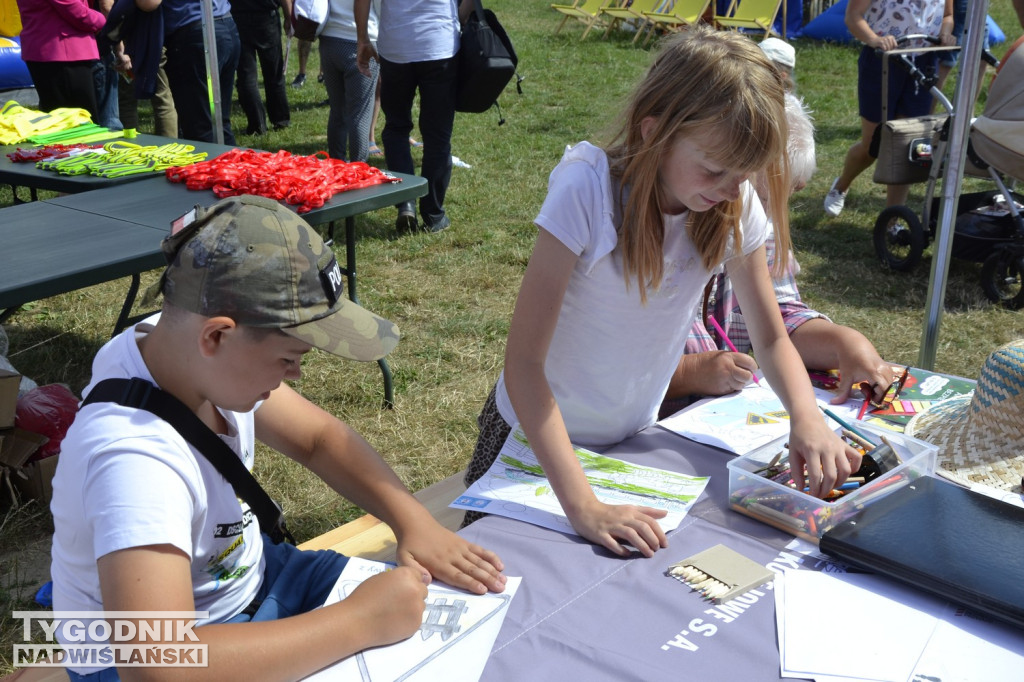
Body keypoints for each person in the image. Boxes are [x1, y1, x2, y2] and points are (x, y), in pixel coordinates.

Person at [49, 195, 506, 680]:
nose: (296, 376)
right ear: (217, 336)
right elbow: (159, 665)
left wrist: (415, 522)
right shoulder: (135, 461)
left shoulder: (178, 351)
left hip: (253, 581)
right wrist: (356, 622)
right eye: (288, 359)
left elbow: (319, 439)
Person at [463, 27, 862, 558]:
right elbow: (525, 365)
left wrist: (807, 416)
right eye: (716, 169)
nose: (730, 189)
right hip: (531, 448)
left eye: (743, 175)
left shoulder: (733, 204)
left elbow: (770, 338)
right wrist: (582, 506)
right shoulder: (585, 190)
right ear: (654, 132)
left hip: (630, 442)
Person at [666, 94, 898, 414]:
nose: (739, 202)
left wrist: (845, 343)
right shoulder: (666, 239)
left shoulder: (760, 226)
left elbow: (782, 318)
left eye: (765, 202)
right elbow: (603, 370)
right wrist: (689, 373)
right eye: (748, 194)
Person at [823, 0, 954, 218]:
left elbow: (948, 15)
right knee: (873, 145)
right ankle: (842, 185)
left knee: (907, 147)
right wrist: (875, 39)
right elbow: (853, 16)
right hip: (882, 60)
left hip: (923, 61)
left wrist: (946, 32)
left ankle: (892, 218)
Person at [355, 0, 471, 233]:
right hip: (440, 45)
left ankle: (406, 202)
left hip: (396, 46)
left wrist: (362, 39)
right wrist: (457, 19)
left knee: (396, 128)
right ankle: (433, 214)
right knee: (437, 136)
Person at [135, 0, 241, 144]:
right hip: (224, 25)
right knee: (219, 121)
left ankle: (211, 164)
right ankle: (229, 164)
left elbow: (148, 3)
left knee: (201, 126)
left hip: (196, 35)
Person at [16, 0, 106, 118]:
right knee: (81, 119)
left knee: (57, 117)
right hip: (64, 54)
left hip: (46, 51)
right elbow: (78, 13)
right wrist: (103, 19)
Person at [320, 0, 378, 161]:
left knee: (337, 110)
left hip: (329, 38)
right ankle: (358, 170)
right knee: (360, 113)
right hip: (361, 39)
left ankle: (336, 165)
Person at [231, 0, 292, 135]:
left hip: (239, 17)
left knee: (246, 76)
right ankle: (280, 119)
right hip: (266, 17)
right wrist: (289, 17)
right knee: (274, 73)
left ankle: (257, 124)